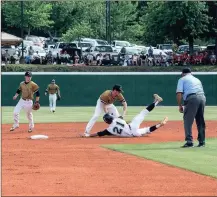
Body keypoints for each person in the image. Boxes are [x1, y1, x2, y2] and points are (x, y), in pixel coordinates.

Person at [83, 94, 167, 138]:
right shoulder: (117, 119)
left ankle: (159, 125)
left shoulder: (109, 130)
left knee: (147, 130)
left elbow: (98, 133)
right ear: (111, 117)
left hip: (133, 134)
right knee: (143, 113)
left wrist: (89, 135)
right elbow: (124, 123)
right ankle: (156, 102)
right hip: (131, 126)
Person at [176, 68, 206, 148]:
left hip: (192, 98)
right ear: (190, 73)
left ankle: (189, 142)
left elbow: (179, 93)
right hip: (202, 97)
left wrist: (180, 105)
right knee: (200, 120)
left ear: (183, 73)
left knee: (188, 120)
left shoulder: (182, 79)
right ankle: (202, 141)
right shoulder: (197, 79)